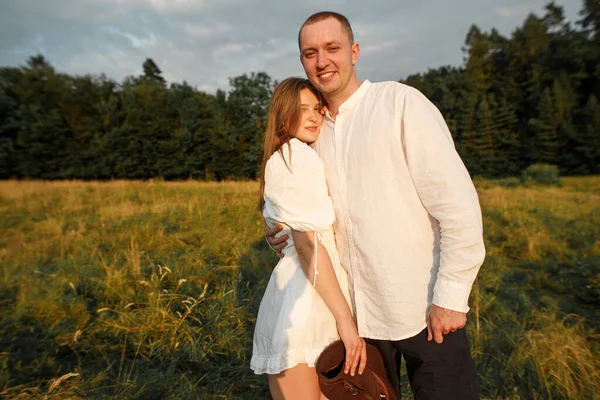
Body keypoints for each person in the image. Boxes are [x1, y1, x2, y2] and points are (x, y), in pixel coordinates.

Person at [266, 12, 486, 400]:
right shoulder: (312, 136)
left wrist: (451, 298)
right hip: (359, 319)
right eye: (310, 53)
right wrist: (281, 231)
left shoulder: (400, 104)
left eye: (332, 48)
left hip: (423, 308)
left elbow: (459, 207)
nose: (321, 61)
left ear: (354, 52)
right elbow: (309, 218)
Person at [250, 77, 367, 400]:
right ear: (283, 116)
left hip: (316, 292)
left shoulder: (295, 156)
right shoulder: (295, 158)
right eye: (302, 110)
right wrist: (345, 319)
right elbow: (307, 244)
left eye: (317, 108)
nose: (314, 117)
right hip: (306, 300)